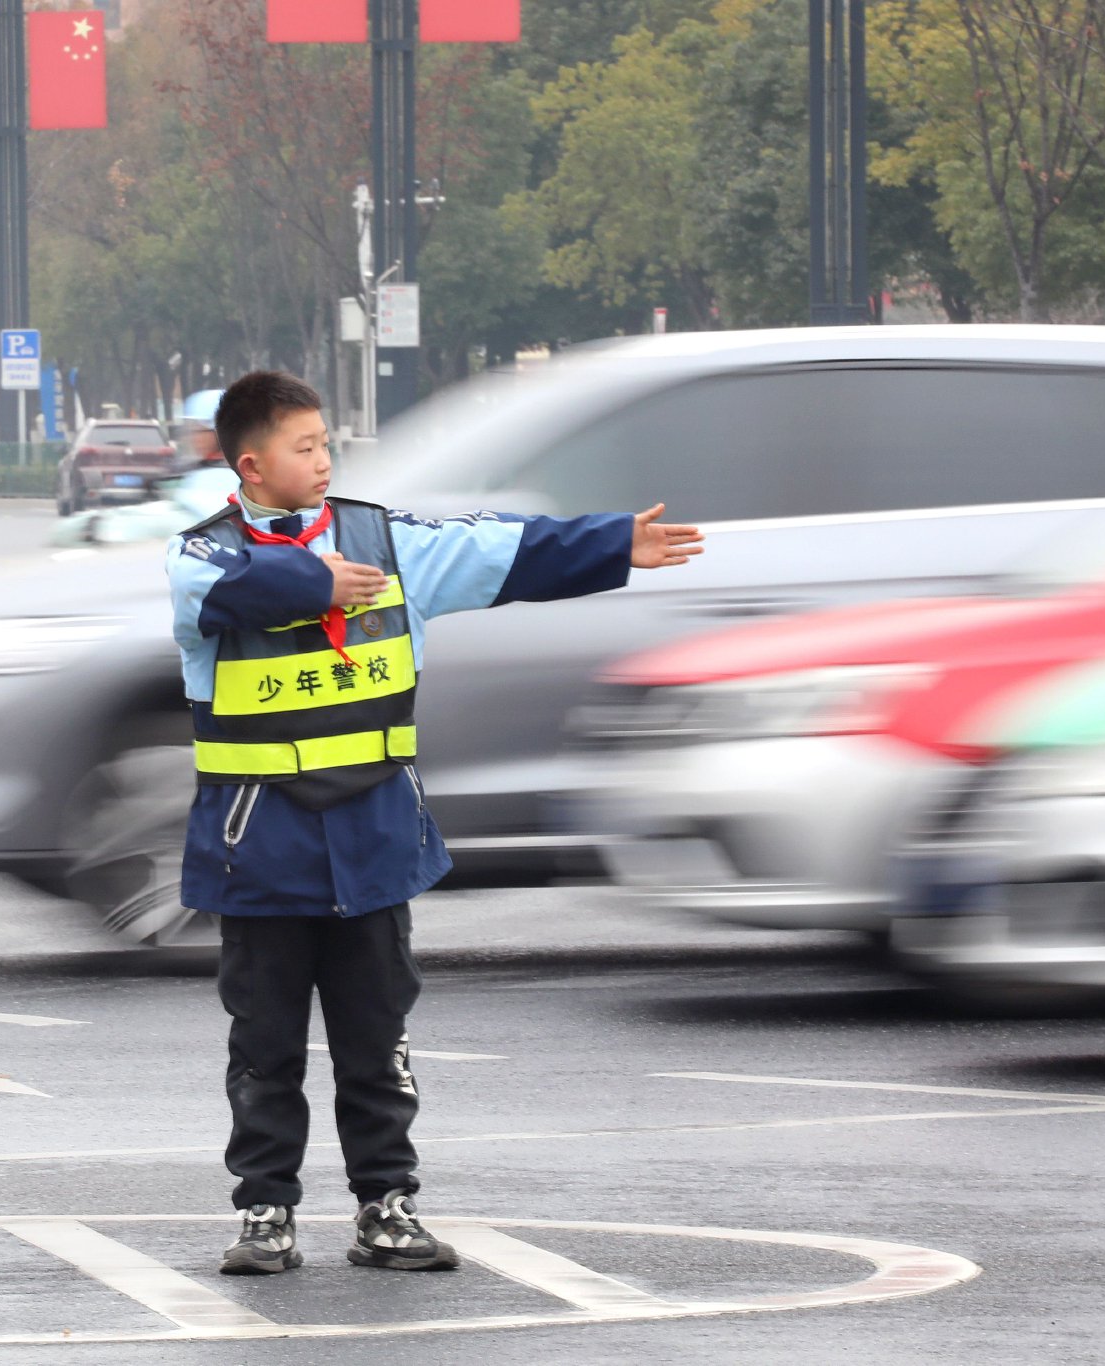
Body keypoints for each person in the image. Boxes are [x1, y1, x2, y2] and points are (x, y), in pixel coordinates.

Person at [164, 371, 702, 1276]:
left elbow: (498, 551)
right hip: (260, 850)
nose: (325, 459)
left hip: (372, 840)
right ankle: (266, 1214)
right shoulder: (201, 555)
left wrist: (613, 544)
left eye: (327, 443)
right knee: (265, 1050)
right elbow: (230, 592)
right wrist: (316, 578)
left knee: (378, 1040)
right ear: (251, 466)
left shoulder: (384, 540)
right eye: (305, 448)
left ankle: (388, 1206)